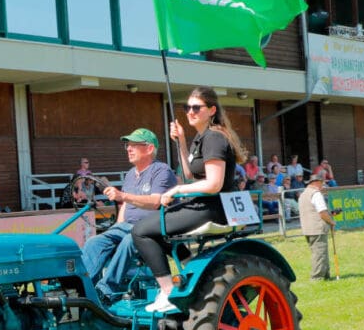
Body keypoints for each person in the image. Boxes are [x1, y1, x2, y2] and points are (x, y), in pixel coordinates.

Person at [132, 87, 246, 313]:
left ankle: (167, 292)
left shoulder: (213, 137)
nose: (190, 112)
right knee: (156, 227)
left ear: (212, 110)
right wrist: (182, 142)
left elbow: (213, 184)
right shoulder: (202, 137)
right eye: (187, 108)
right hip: (204, 203)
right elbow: (191, 175)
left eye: (196, 107)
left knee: (141, 231)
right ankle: (189, 269)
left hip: (213, 207)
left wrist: (176, 191)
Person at [81, 128, 176, 302]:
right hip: (126, 226)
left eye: (134, 145)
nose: (128, 149)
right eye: (128, 145)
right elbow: (125, 206)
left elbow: (156, 201)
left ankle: (106, 291)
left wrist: (122, 195)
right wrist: (118, 224)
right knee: (94, 242)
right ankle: (84, 290)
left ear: (149, 149)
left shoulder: (161, 171)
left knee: (129, 240)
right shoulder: (131, 174)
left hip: (151, 228)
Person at [298, 173, 336, 281]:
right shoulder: (316, 194)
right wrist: (332, 222)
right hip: (317, 228)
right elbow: (322, 213)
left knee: (319, 252)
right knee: (320, 253)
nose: (323, 186)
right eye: (322, 183)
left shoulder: (303, 194)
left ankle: (326, 275)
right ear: (317, 182)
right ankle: (317, 278)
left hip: (307, 228)